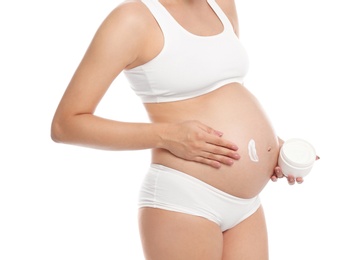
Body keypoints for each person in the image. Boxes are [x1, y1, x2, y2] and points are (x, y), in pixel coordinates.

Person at [51, 0, 309, 258]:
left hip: (247, 207)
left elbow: (223, 90)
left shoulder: (221, 4)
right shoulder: (132, 19)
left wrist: (270, 146)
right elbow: (66, 124)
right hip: (185, 200)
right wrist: (167, 135)